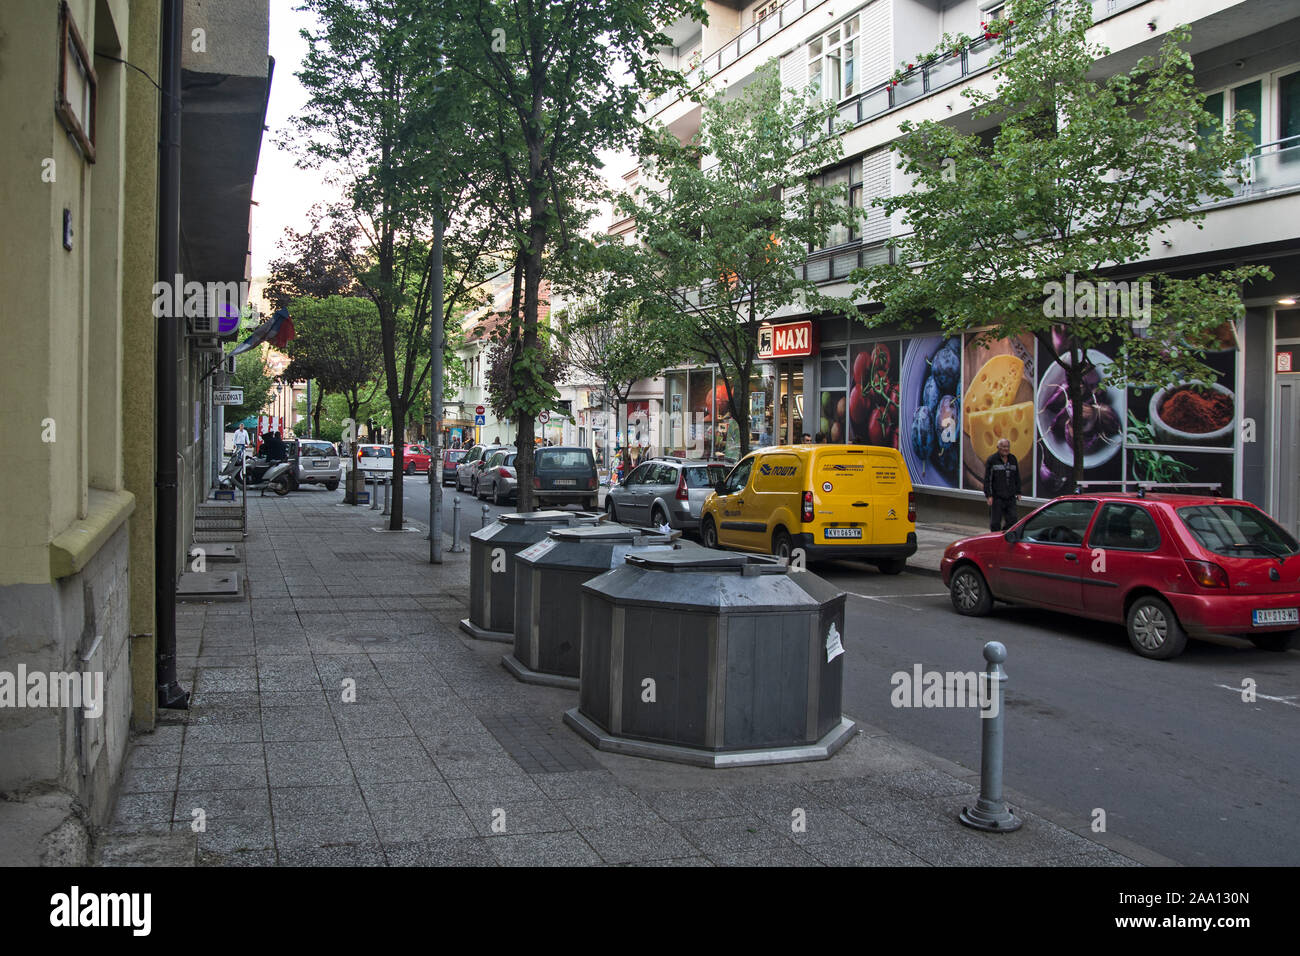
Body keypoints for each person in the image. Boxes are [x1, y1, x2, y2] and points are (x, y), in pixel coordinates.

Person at [984, 437, 1022, 531]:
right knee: (995, 523)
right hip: (997, 498)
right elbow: (987, 479)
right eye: (1003, 447)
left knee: (1012, 520)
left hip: (1010, 497)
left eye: (1007, 447)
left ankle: (1004, 535)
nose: (1006, 449)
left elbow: (1017, 476)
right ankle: (995, 540)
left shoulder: (1013, 459)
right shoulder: (992, 460)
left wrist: (1018, 492)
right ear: (998, 447)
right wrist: (989, 495)